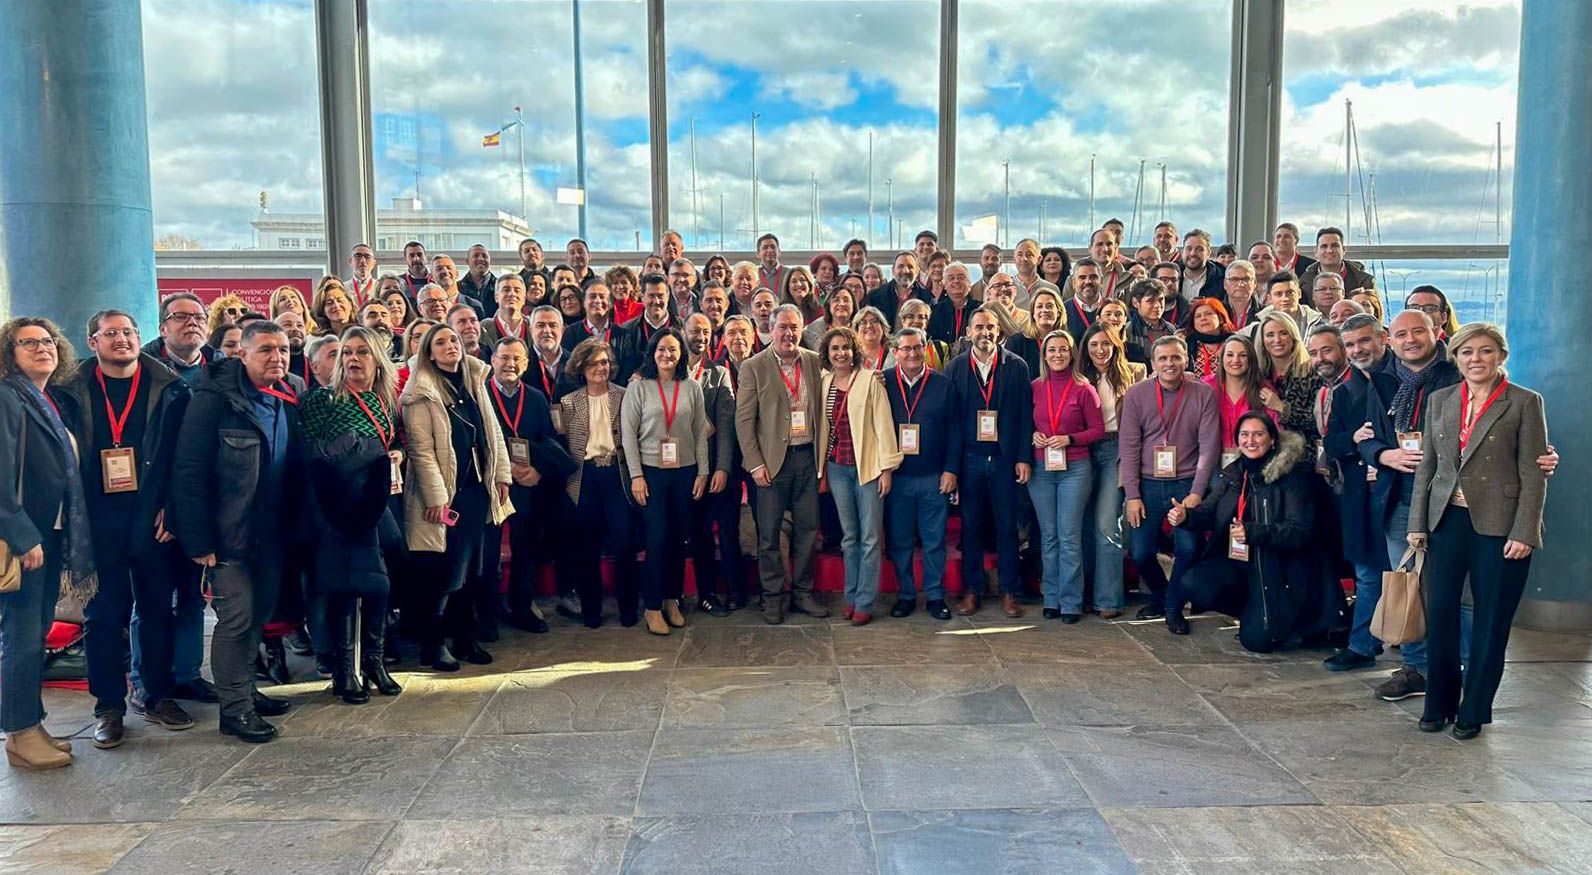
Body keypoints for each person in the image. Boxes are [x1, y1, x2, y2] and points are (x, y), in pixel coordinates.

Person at [59, 310, 194, 748]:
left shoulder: (171, 389)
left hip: (151, 517)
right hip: (97, 521)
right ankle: (109, 707)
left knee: (157, 609)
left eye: (129, 331)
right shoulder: (71, 391)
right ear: (92, 341)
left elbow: (181, 458)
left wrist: (172, 508)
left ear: (141, 337)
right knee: (103, 617)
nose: (122, 339)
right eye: (111, 333)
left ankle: (156, 695)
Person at [1408, 323, 1548, 739]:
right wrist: (1418, 524)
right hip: (1446, 521)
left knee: (1491, 619)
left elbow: (1533, 472)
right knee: (1441, 615)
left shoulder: (1524, 402)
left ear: (1500, 355)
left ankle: (1474, 709)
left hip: (1500, 527)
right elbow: (1427, 469)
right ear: (1456, 357)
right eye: (1467, 352)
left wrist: (1525, 531)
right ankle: (1440, 703)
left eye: (1485, 351)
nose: (1475, 360)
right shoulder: (1440, 400)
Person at [170, 320, 304, 743]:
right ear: (240, 353)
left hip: (272, 533)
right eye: (265, 349)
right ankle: (235, 711)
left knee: (259, 617)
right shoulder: (213, 400)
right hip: (229, 536)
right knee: (236, 619)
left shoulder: (288, 397)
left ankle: (245, 689)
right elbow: (188, 472)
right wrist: (199, 540)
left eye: (282, 349)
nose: (276, 357)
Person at [1, 318, 96, 769]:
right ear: (9, 352)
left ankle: (31, 724)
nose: (43, 348)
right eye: (29, 343)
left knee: (34, 635)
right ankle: (19, 734)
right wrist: (22, 535)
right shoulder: (7, 397)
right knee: (21, 638)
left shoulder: (43, 398)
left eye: (48, 341)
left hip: (50, 532)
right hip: (27, 538)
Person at [1169, 412, 1340, 651]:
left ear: (1272, 440)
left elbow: (1299, 531)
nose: (1251, 441)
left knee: (1257, 643)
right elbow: (1210, 512)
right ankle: (1252, 612)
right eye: (1244, 434)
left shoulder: (1292, 477)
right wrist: (1186, 516)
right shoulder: (1235, 472)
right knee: (1194, 584)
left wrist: (1253, 533)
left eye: (1258, 434)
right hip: (1242, 562)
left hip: (1278, 568)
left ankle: (1285, 621)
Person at [298, 326, 405, 703]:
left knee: (378, 585)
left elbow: (387, 447)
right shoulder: (322, 400)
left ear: (378, 359)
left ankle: (374, 663)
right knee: (344, 587)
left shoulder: (383, 402)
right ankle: (345, 672)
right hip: (336, 509)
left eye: (362, 352)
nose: (353, 359)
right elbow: (312, 456)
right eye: (346, 353)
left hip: (374, 505)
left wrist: (396, 456)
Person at [399, 322, 513, 671]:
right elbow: (421, 450)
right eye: (441, 342)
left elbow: (492, 432)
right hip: (445, 499)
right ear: (429, 353)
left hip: (477, 491)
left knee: (473, 569)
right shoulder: (421, 391)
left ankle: (464, 638)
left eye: (454, 340)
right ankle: (433, 645)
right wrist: (436, 498)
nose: (451, 346)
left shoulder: (473, 381)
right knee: (443, 573)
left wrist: (501, 476)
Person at [1119, 336, 1222, 634]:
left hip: (1187, 481)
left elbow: (1209, 448)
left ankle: (1173, 608)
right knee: (1139, 552)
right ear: (1153, 364)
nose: (1169, 364)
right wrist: (1133, 495)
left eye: (1175, 357)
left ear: (1186, 360)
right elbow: (1129, 446)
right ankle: (1164, 596)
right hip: (1148, 484)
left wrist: (1196, 493)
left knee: (1188, 548)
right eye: (1162, 358)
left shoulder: (1203, 394)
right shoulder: (1137, 394)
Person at [735, 304, 827, 624]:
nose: (788, 334)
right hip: (772, 463)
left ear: (801, 330)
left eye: (794, 328)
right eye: (782, 327)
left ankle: (802, 592)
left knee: (807, 530)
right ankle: (772, 596)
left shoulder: (815, 362)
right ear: (770, 329)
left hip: (807, 458)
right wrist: (755, 464)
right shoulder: (753, 366)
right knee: (769, 534)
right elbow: (744, 421)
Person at [621, 328, 710, 635]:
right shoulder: (639, 387)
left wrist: (703, 472)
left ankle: (673, 598)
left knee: (678, 539)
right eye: (661, 349)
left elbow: (701, 432)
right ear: (652, 352)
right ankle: (653, 606)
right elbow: (628, 435)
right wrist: (636, 476)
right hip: (652, 473)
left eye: (673, 349)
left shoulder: (692, 387)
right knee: (656, 540)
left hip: (685, 472)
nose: (667, 355)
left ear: (682, 354)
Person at [947, 307, 1034, 618]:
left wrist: (1024, 457)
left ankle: (1010, 591)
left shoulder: (1017, 366)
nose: (985, 332)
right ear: (969, 332)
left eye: (991, 327)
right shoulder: (955, 367)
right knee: (970, 527)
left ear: (1000, 332)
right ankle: (972, 590)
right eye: (979, 327)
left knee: (1007, 526)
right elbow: (951, 422)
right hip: (969, 459)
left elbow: (1026, 415)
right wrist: (952, 467)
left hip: (1004, 459)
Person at [815, 326, 900, 626]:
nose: (840, 353)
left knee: (870, 537)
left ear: (854, 351)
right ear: (827, 353)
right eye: (834, 348)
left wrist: (886, 469)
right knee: (849, 537)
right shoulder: (823, 382)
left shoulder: (869, 380)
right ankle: (850, 597)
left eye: (845, 348)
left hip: (868, 469)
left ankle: (865, 601)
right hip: (837, 469)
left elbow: (883, 424)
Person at [559, 339, 640, 628]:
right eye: (593, 363)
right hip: (584, 479)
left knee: (624, 544)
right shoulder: (569, 402)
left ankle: (628, 607)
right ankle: (591, 609)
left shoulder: (626, 395)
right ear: (581, 367)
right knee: (586, 548)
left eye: (604, 362)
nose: (600, 368)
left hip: (618, 477)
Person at [481, 336, 557, 635]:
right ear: (493, 361)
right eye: (504, 357)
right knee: (487, 554)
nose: (510, 363)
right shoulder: (480, 394)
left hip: (527, 484)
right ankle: (485, 614)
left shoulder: (536, 398)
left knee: (526, 550)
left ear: (525, 365)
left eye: (517, 359)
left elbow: (548, 440)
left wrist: (538, 470)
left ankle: (522, 607)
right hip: (493, 484)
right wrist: (502, 469)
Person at [1027, 330, 1105, 622]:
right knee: (1048, 537)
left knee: (1069, 536)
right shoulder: (1034, 386)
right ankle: (1052, 598)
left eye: (1063, 349)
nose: (1057, 355)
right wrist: (1032, 435)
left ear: (1072, 354)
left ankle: (1071, 602)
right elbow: (1025, 422)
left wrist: (1070, 439)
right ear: (1044, 355)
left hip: (1075, 469)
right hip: (1041, 470)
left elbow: (1097, 430)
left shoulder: (1084, 388)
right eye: (1051, 350)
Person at [882, 327, 959, 620]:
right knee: (900, 540)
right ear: (895, 352)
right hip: (897, 476)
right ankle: (905, 595)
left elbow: (955, 429)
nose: (912, 353)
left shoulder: (942, 383)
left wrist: (951, 469)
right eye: (906, 348)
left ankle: (936, 596)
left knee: (934, 540)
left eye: (917, 348)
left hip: (933, 475)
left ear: (925, 349)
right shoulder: (884, 382)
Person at [1078, 325, 1143, 618]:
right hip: (1081, 450)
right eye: (1093, 345)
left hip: (1115, 450)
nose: (1100, 350)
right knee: (1082, 526)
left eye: (1105, 344)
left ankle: (1108, 599)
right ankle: (1083, 595)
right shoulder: (1079, 377)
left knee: (1107, 524)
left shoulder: (1134, 374)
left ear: (1116, 345)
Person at [682, 314, 740, 617]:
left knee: (722, 531)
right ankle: (698, 594)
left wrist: (722, 468)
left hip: (715, 468)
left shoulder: (718, 374)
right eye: (695, 330)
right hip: (681, 469)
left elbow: (726, 425)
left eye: (706, 331)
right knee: (693, 534)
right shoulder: (669, 372)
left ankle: (730, 591)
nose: (701, 336)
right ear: (683, 331)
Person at [1255, 312, 1325, 450]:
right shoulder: (1258, 376)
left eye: (1283, 333)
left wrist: (1282, 408)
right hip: (1265, 455)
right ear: (1262, 341)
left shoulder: (1313, 373)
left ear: (1293, 337)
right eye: (1270, 335)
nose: (1277, 340)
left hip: (1304, 457)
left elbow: (1320, 421)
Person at [1208, 335, 1278, 467]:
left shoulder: (1264, 390)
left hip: (1254, 463)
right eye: (1230, 355)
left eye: (1242, 355)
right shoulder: (1205, 387)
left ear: (1251, 359)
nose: (1235, 360)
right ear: (1221, 358)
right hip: (1212, 464)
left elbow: (1274, 431)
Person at [615, 274, 679, 384]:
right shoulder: (625, 331)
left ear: (668, 296)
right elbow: (621, 372)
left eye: (660, 296)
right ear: (642, 297)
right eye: (651, 296)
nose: (656, 301)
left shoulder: (682, 329)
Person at [1299, 227, 1375, 297]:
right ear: (1316, 251)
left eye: (1335, 246)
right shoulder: (1303, 282)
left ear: (1344, 250)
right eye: (1324, 246)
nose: (1329, 251)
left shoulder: (1364, 282)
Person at [868, 251, 931, 328]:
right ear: (893, 270)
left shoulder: (928, 298)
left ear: (917, 272)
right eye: (900, 266)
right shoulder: (875, 297)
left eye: (910, 267)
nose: (905, 271)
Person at [1125, 279, 1177, 366]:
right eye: (1150, 301)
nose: (1157, 305)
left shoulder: (1171, 329)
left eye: (1160, 300)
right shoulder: (1128, 331)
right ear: (1135, 302)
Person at [1256, 272, 1322, 338]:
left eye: (1290, 293)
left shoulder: (1316, 321)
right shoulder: (1258, 321)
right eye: (1279, 294)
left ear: (1299, 293)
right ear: (1270, 298)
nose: (1285, 298)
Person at [929, 260, 979, 346]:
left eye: (961, 277)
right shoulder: (935, 310)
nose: (956, 281)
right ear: (944, 285)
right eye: (951, 278)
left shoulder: (979, 309)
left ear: (969, 284)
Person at [1183, 298, 1234, 380]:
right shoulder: (1187, 345)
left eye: (1208, 314)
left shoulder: (1234, 342)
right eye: (1198, 316)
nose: (1203, 318)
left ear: (1220, 318)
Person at [1062, 258, 1107, 343]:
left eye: (1093, 277)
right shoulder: (1062, 311)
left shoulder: (1114, 309)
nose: (1088, 281)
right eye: (1082, 277)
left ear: (1101, 281)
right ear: (1074, 283)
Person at [562, 282, 615, 353]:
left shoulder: (622, 334)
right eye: (592, 297)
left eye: (602, 297)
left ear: (611, 304)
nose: (597, 301)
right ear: (584, 303)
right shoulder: (571, 333)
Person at [481, 273, 530, 348]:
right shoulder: (484, 328)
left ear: (523, 299)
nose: (512, 294)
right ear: (496, 297)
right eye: (506, 290)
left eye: (517, 290)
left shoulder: (533, 326)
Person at [1177, 230, 1226, 303]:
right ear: (1182, 252)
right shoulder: (1171, 276)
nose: (1193, 253)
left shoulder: (1222, 278)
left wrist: (1209, 305)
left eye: (1199, 249)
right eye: (1189, 248)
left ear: (1208, 253)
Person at [1012, 238, 1063, 309]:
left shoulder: (1051, 289)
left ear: (1039, 259)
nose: (1024, 258)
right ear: (1014, 259)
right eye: (1019, 255)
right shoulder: (1007, 288)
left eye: (1029, 255)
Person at [804, 285, 855, 351]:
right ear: (828, 304)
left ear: (853, 305)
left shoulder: (861, 327)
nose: (842, 304)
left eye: (846, 300)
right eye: (836, 300)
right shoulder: (814, 329)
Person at [458, 245, 498, 317]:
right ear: (467, 261)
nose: (481, 259)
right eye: (476, 256)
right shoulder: (458, 288)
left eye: (484, 256)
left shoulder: (500, 287)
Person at [1222, 259, 1262, 328]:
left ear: (1255, 283)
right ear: (1225, 284)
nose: (1241, 284)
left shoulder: (1265, 313)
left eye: (1246, 279)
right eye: (1234, 279)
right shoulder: (1215, 312)